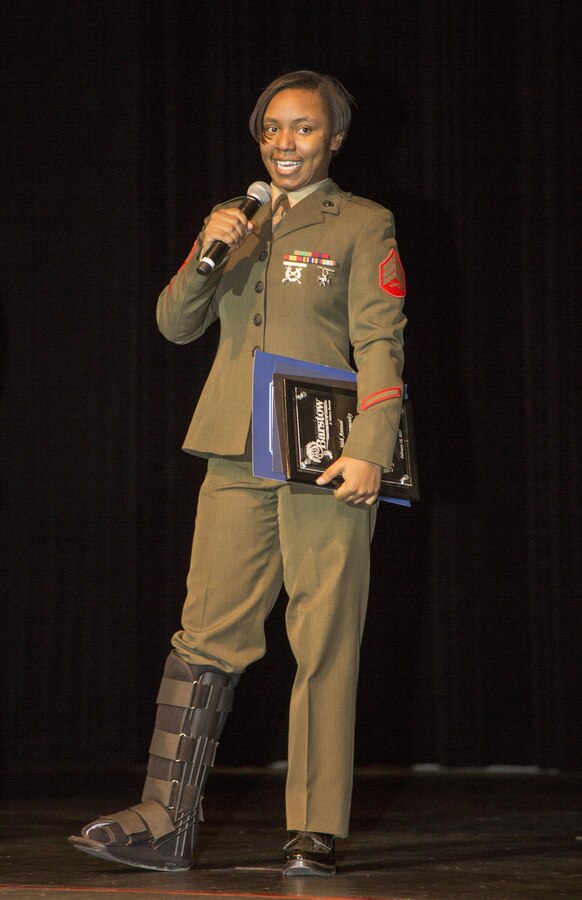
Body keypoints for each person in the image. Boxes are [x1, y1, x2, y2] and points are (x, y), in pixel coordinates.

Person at [69, 70, 407, 877]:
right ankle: (167, 818)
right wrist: (211, 251)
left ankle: (315, 827)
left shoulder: (361, 222)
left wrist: (375, 442)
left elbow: (382, 339)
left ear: (334, 139)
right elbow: (175, 323)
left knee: (324, 639)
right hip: (233, 447)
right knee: (206, 632)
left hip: (325, 456)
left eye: (303, 129)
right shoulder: (237, 219)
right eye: (272, 130)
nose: (285, 144)